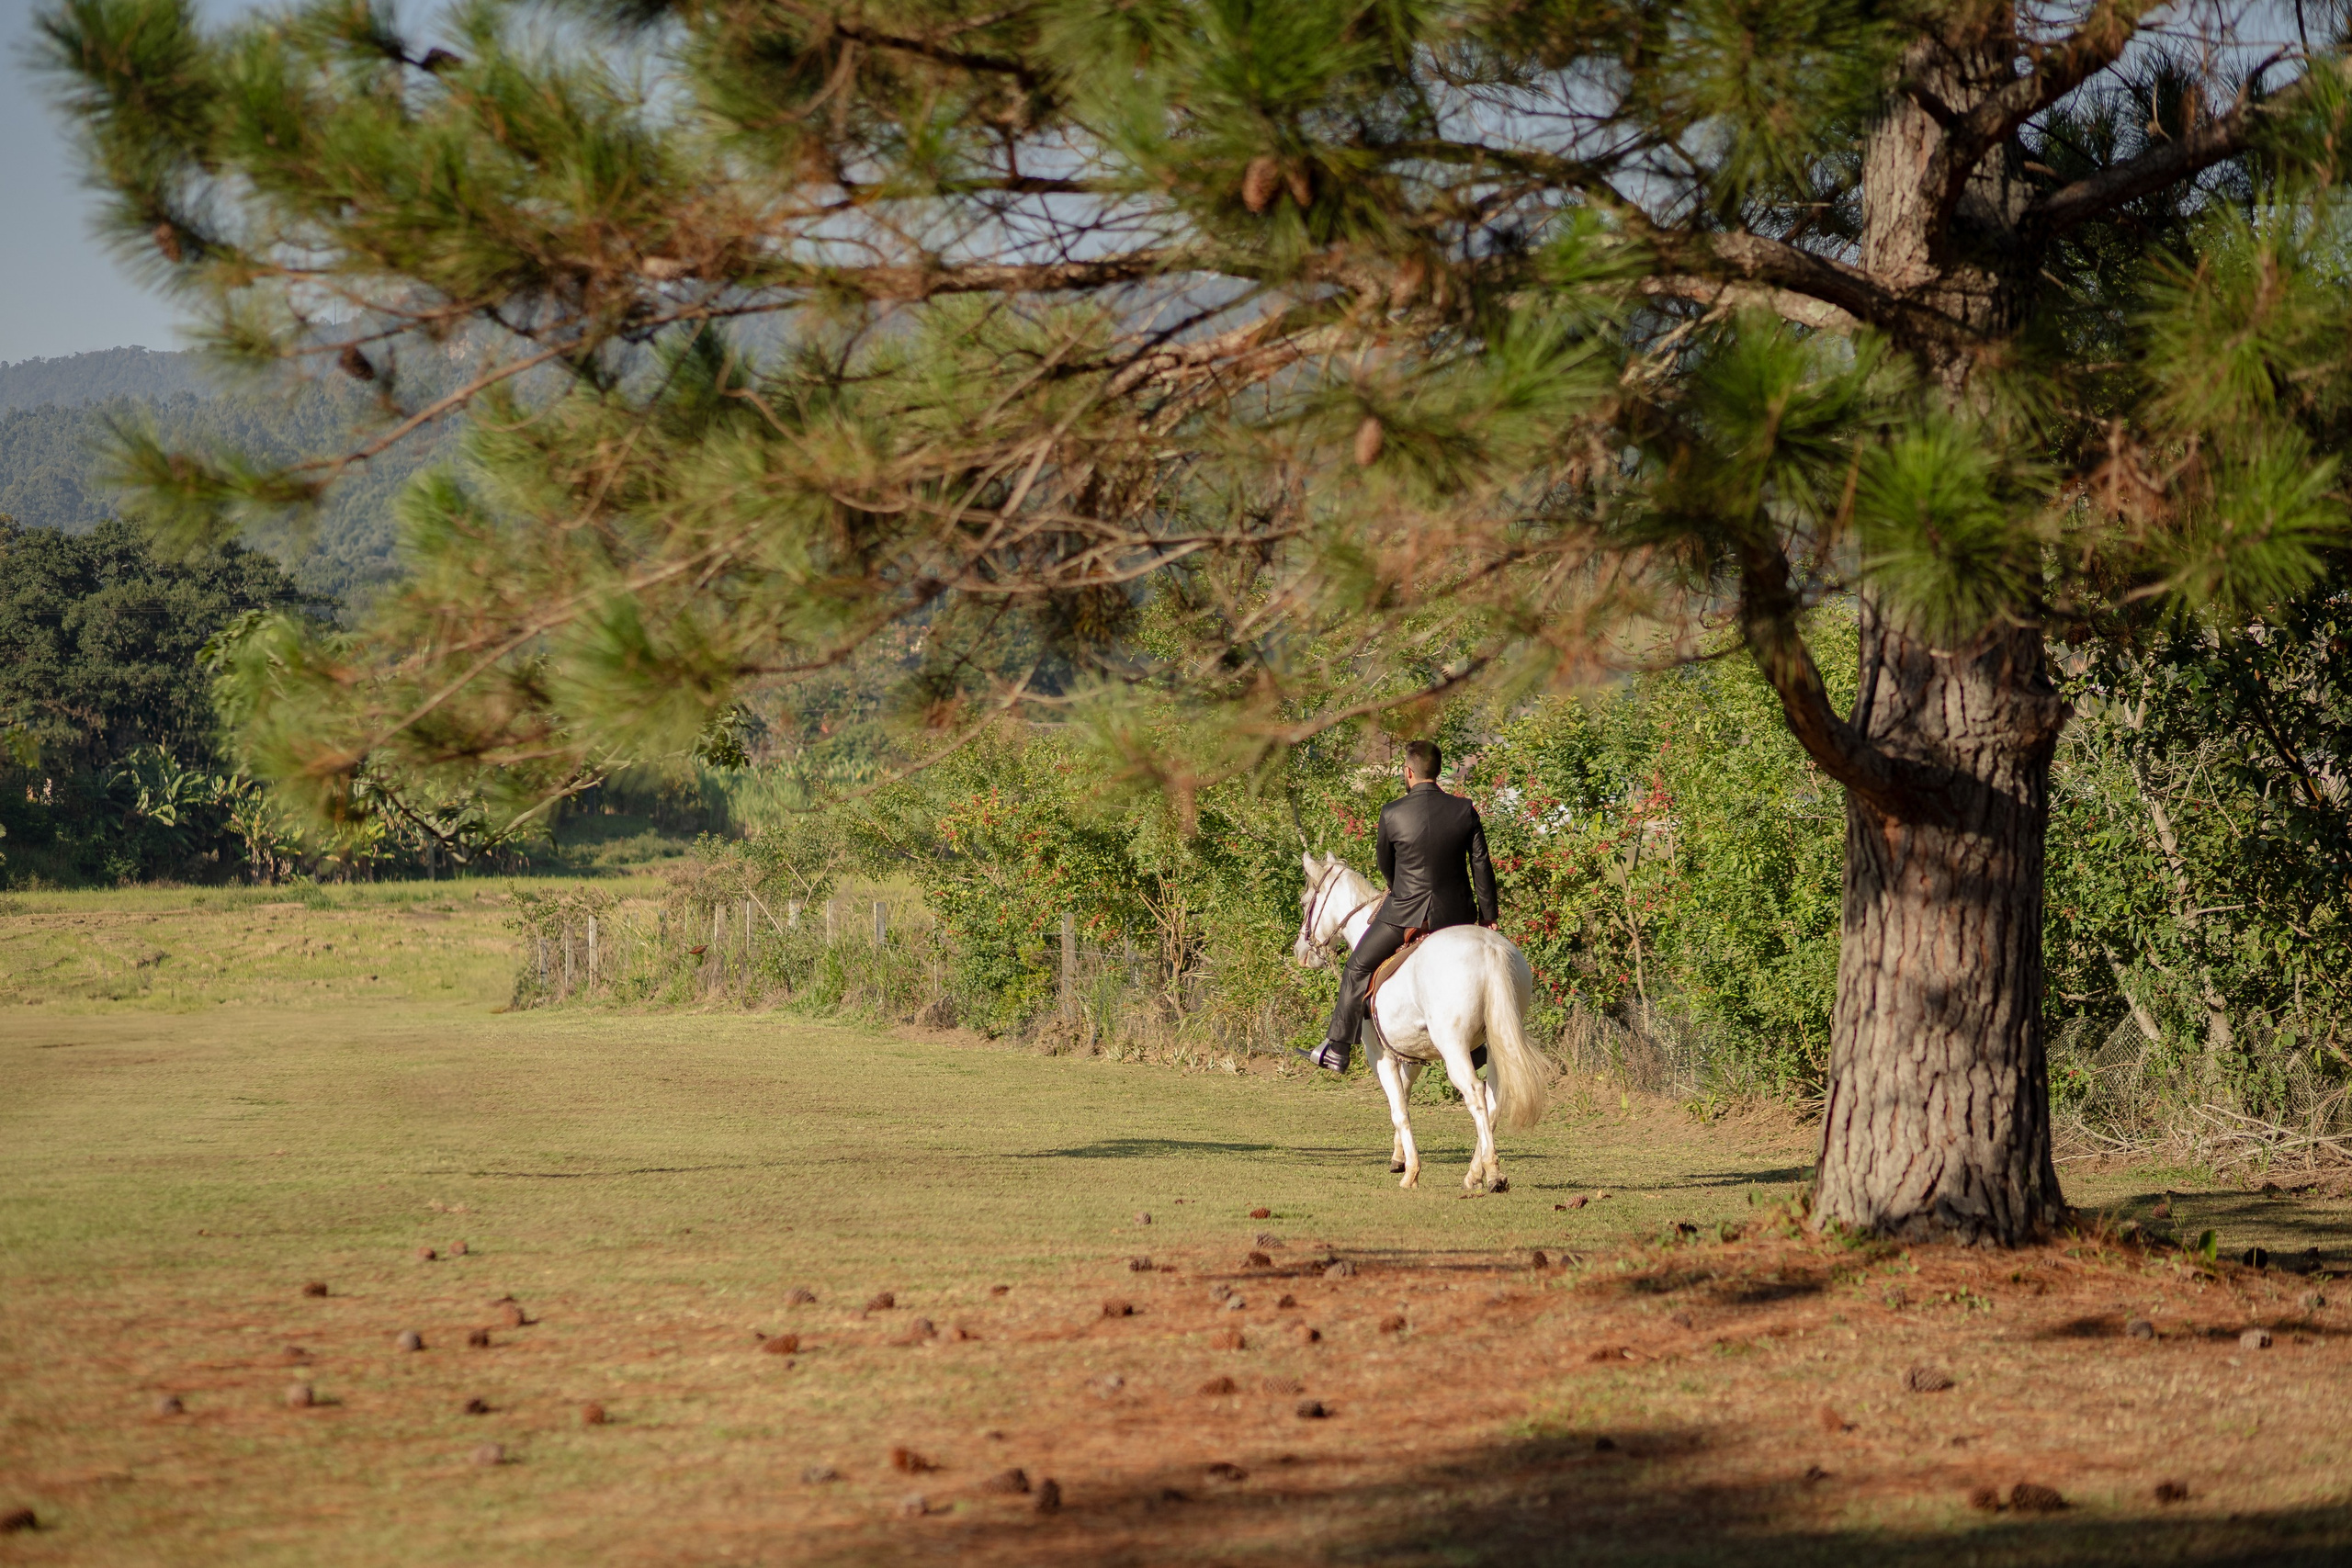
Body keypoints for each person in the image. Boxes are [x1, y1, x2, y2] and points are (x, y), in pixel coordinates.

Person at [1301, 739, 1498, 1072]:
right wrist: (1488, 915)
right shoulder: (1464, 809)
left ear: (1408, 772)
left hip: (1405, 912)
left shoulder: (1392, 813)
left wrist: (1401, 891)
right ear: (1438, 770)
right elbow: (1481, 864)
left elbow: (1386, 864)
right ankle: (1478, 1046)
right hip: (1456, 915)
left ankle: (1338, 1048)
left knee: (1356, 968)